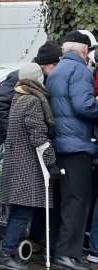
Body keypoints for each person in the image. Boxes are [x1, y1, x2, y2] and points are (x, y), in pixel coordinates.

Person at [0, 63, 61, 270]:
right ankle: (5, 255)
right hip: (28, 166)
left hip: (16, 164)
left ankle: (8, 251)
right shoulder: (33, 101)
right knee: (23, 213)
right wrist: (51, 163)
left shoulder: (18, 97)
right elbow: (38, 137)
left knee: (18, 211)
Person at [46, 31, 98, 270]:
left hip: (60, 144)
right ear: (85, 50)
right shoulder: (80, 71)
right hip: (77, 145)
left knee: (64, 201)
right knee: (77, 202)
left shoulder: (56, 71)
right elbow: (82, 105)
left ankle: (58, 251)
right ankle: (67, 257)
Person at [0, 41, 63, 143]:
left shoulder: (48, 79)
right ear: (43, 64)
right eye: (54, 65)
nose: (57, 69)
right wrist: (12, 130)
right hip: (21, 141)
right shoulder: (21, 77)